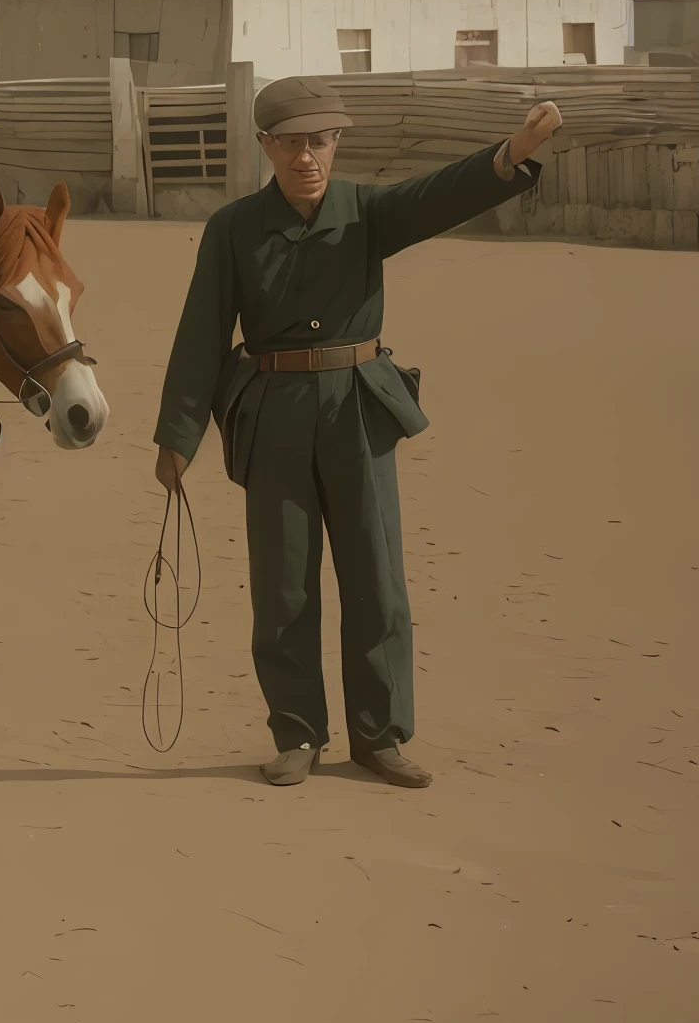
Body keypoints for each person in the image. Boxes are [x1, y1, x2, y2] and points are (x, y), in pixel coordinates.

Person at [152, 76, 562, 790]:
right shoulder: (234, 229)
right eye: (291, 143)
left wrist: (511, 154)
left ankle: (379, 737)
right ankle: (298, 735)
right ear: (266, 146)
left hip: (357, 411)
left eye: (320, 140)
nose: (307, 157)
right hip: (273, 412)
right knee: (283, 587)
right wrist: (177, 436)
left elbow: (440, 194)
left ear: (336, 143)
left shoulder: (366, 211)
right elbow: (200, 335)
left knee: (376, 579)